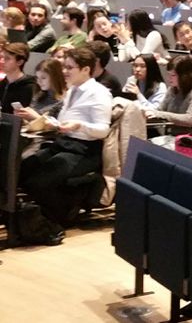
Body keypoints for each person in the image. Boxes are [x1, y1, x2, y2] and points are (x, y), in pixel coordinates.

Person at [16, 47, 112, 240]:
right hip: (62, 143)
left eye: (70, 67)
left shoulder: (99, 93)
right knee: (23, 170)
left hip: (83, 151)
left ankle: (57, 219)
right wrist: (54, 124)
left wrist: (79, 125)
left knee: (39, 182)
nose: (65, 71)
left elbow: (103, 129)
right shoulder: (72, 90)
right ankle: (47, 216)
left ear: (86, 69)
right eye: (65, 67)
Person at [144, 55, 192, 136]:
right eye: (168, 74)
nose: (169, 78)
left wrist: (158, 114)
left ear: (185, 76)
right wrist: (149, 113)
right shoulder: (172, 89)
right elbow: (160, 110)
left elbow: (189, 120)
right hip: (174, 136)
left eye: (173, 75)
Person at [0, 42, 35, 113]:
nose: (1, 61)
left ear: (20, 62)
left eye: (7, 58)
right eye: (1, 57)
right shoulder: (2, 83)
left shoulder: (29, 88)